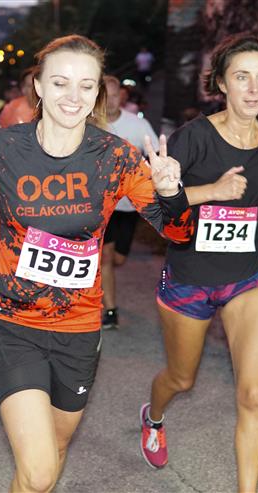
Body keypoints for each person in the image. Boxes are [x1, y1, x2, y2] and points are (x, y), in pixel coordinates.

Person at [0, 35, 192, 493]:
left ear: (97, 93)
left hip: (78, 329)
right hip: (12, 323)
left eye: (86, 85)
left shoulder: (116, 156)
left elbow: (178, 232)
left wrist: (170, 193)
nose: (73, 96)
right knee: (41, 471)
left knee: (50, 455)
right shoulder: (4, 147)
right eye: (60, 83)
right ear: (39, 87)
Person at [139, 34, 258, 493]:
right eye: (242, 77)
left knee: (254, 395)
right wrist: (211, 192)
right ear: (221, 83)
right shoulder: (194, 137)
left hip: (250, 275)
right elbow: (153, 203)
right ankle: (153, 417)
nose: (253, 88)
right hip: (191, 278)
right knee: (181, 379)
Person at [100, 75, 160, 330]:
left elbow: (156, 153)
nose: (110, 101)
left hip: (128, 205)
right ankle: (110, 310)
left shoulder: (137, 124)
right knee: (105, 258)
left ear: (122, 97)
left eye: (115, 95)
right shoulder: (89, 123)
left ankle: (102, 283)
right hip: (101, 205)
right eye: (106, 96)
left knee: (118, 259)